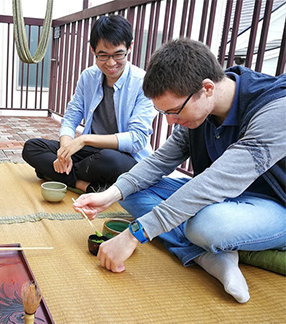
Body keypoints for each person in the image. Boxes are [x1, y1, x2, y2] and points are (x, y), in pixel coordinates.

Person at [73, 38, 286, 303]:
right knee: (130, 190)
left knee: (207, 226)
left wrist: (134, 234)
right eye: (165, 113)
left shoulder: (276, 108)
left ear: (207, 88)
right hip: (220, 199)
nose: (171, 121)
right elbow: (159, 161)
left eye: (174, 112)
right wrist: (111, 194)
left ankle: (208, 246)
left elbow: (215, 183)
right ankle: (207, 256)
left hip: (274, 206)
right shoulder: (199, 109)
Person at [22, 15, 155, 193]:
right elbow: (71, 117)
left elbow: (137, 139)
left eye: (118, 54)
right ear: (93, 50)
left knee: (110, 161)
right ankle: (82, 184)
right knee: (32, 147)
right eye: (103, 55)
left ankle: (51, 172)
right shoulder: (88, 76)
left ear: (129, 48)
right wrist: (64, 151)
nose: (111, 63)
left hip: (124, 157)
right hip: (91, 153)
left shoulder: (143, 82)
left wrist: (84, 139)